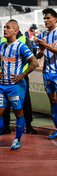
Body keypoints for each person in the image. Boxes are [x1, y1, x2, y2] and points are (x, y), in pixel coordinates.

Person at [0, 20, 38, 149]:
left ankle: (17, 139)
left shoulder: (21, 46)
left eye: (8, 27)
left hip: (15, 87)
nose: (4, 29)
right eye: (4, 27)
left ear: (15, 31)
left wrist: (22, 75)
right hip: (2, 86)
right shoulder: (2, 45)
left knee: (18, 113)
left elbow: (34, 62)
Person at [36, 8, 57, 141]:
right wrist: (41, 50)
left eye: (48, 18)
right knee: (53, 100)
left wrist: (47, 47)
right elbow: (39, 54)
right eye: (44, 18)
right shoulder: (42, 35)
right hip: (47, 72)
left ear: (55, 19)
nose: (45, 21)